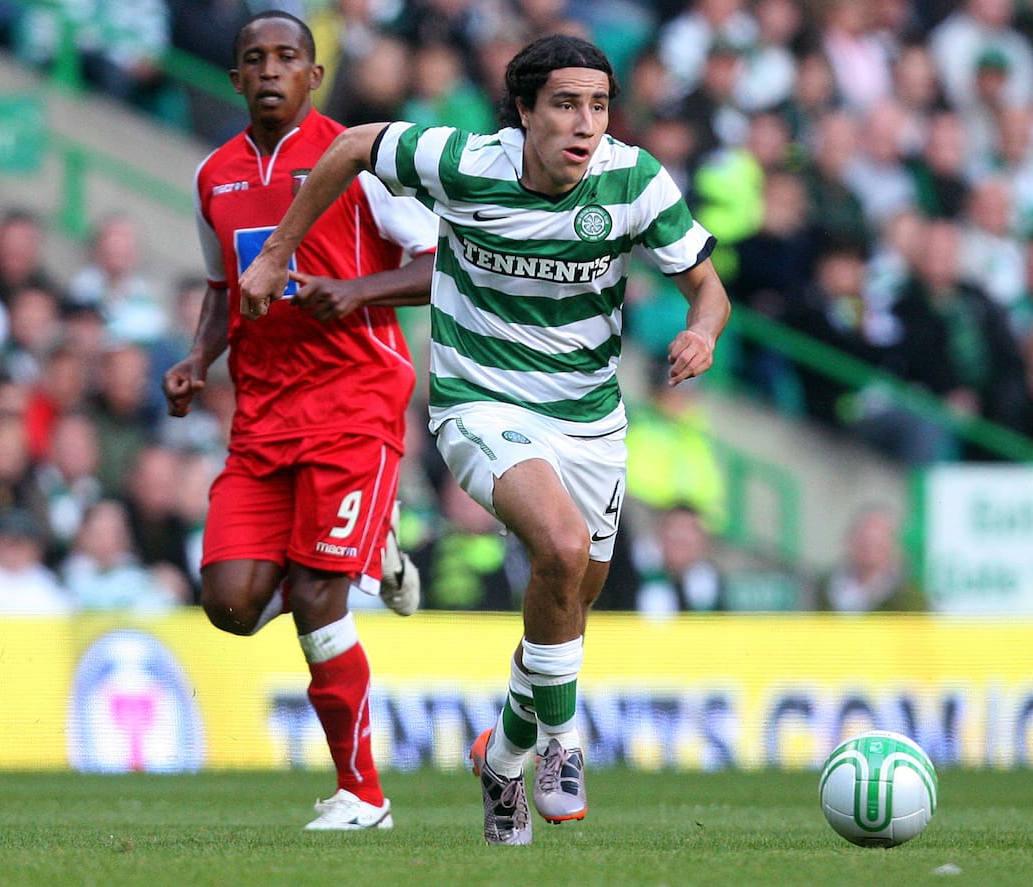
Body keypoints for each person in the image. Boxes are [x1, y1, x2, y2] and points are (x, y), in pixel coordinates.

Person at [239, 32, 732, 846]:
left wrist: (702, 332)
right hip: (479, 399)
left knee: (568, 597)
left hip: (589, 419)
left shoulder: (634, 179)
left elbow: (706, 290)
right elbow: (357, 144)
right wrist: (278, 254)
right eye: (566, 105)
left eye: (599, 106)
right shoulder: (466, 161)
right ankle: (563, 744)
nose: (585, 125)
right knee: (562, 546)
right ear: (526, 112)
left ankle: (503, 754)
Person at [160, 11, 438, 832]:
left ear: (314, 76)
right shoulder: (214, 173)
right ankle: (363, 554)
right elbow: (224, 287)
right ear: (236, 78)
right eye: (255, 60)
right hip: (262, 410)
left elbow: (440, 263)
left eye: (288, 57)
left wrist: (354, 292)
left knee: (316, 593)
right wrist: (198, 358)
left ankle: (364, 794)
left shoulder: (359, 159)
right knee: (231, 602)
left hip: (355, 397)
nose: (272, 69)